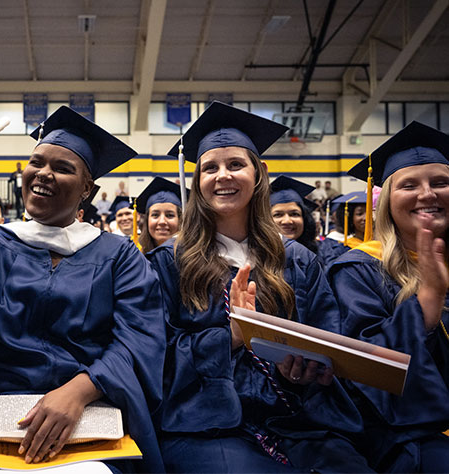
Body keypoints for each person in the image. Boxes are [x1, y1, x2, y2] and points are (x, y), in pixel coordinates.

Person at [0, 106, 166, 472]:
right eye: (37, 162)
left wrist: (79, 391)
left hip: (90, 411)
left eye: (62, 168)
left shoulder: (118, 254)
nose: (44, 173)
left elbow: (140, 337)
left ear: (86, 189)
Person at [148, 102, 370, 473]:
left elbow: (328, 335)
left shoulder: (297, 259)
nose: (223, 176)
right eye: (209, 168)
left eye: (236, 164)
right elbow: (156, 355)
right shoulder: (170, 262)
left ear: (260, 172)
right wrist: (232, 336)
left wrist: (304, 371)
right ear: (196, 181)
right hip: (207, 427)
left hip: (299, 422)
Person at [328, 121, 449, 472]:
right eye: (409, 185)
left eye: (440, 182)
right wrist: (428, 297)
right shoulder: (359, 269)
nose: (427, 194)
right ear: (386, 201)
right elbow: (367, 369)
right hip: (409, 433)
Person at [269, 175, 320, 254]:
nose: (287, 221)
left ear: (304, 219)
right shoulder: (254, 257)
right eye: (278, 215)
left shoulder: (318, 254)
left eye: (294, 214)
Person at [136, 177, 182, 253]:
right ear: (147, 220)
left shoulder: (191, 257)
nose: (162, 221)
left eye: (169, 215)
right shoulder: (135, 255)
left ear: (180, 219)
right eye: (155, 215)